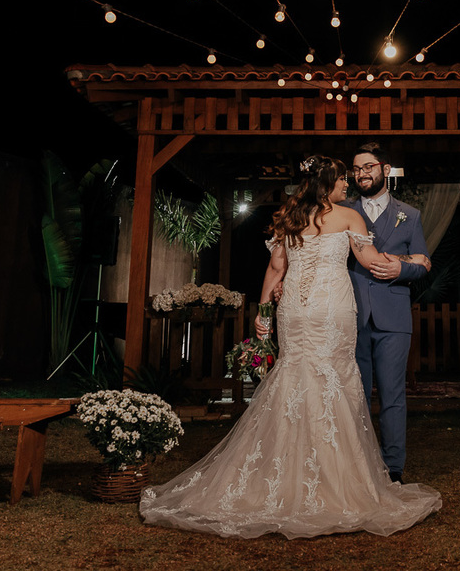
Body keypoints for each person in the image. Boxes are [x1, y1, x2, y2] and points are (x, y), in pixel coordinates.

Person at [139, 156, 441, 539]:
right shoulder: (349, 217)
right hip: (331, 310)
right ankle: (333, 479)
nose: (346, 185)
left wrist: (263, 311)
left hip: (295, 310)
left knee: (293, 376)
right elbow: (370, 261)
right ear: (327, 183)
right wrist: (412, 259)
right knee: (333, 380)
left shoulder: (289, 217)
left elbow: (275, 269)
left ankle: (282, 474)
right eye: (341, 180)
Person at [347, 142, 430, 484]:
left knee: (392, 395)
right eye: (356, 169)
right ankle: (358, 466)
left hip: (394, 317)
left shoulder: (409, 215)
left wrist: (401, 269)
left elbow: (423, 263)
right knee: (354, 395)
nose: (361, 174)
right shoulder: (344, 211)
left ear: (384, 168)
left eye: (368, 167)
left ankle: (393, 468)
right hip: (351, 313)